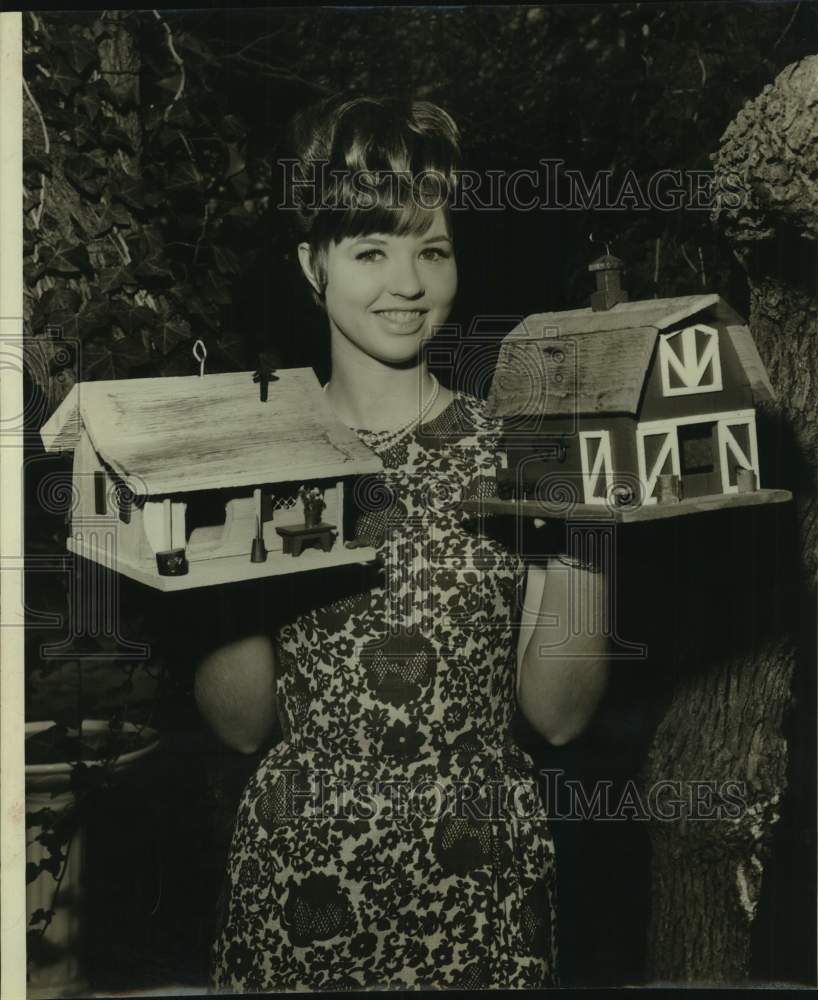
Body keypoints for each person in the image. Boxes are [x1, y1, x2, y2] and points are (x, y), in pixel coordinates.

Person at [195, 95, 610, 992]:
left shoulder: (525, 451)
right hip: (299, 880)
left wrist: (587, 525)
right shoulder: (262, 452)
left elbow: (561, 714)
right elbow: (238, 726)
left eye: (433, 249)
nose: (408, 284)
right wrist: (236, 546)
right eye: (371, 250)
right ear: (313, 265)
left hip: (477, 895)